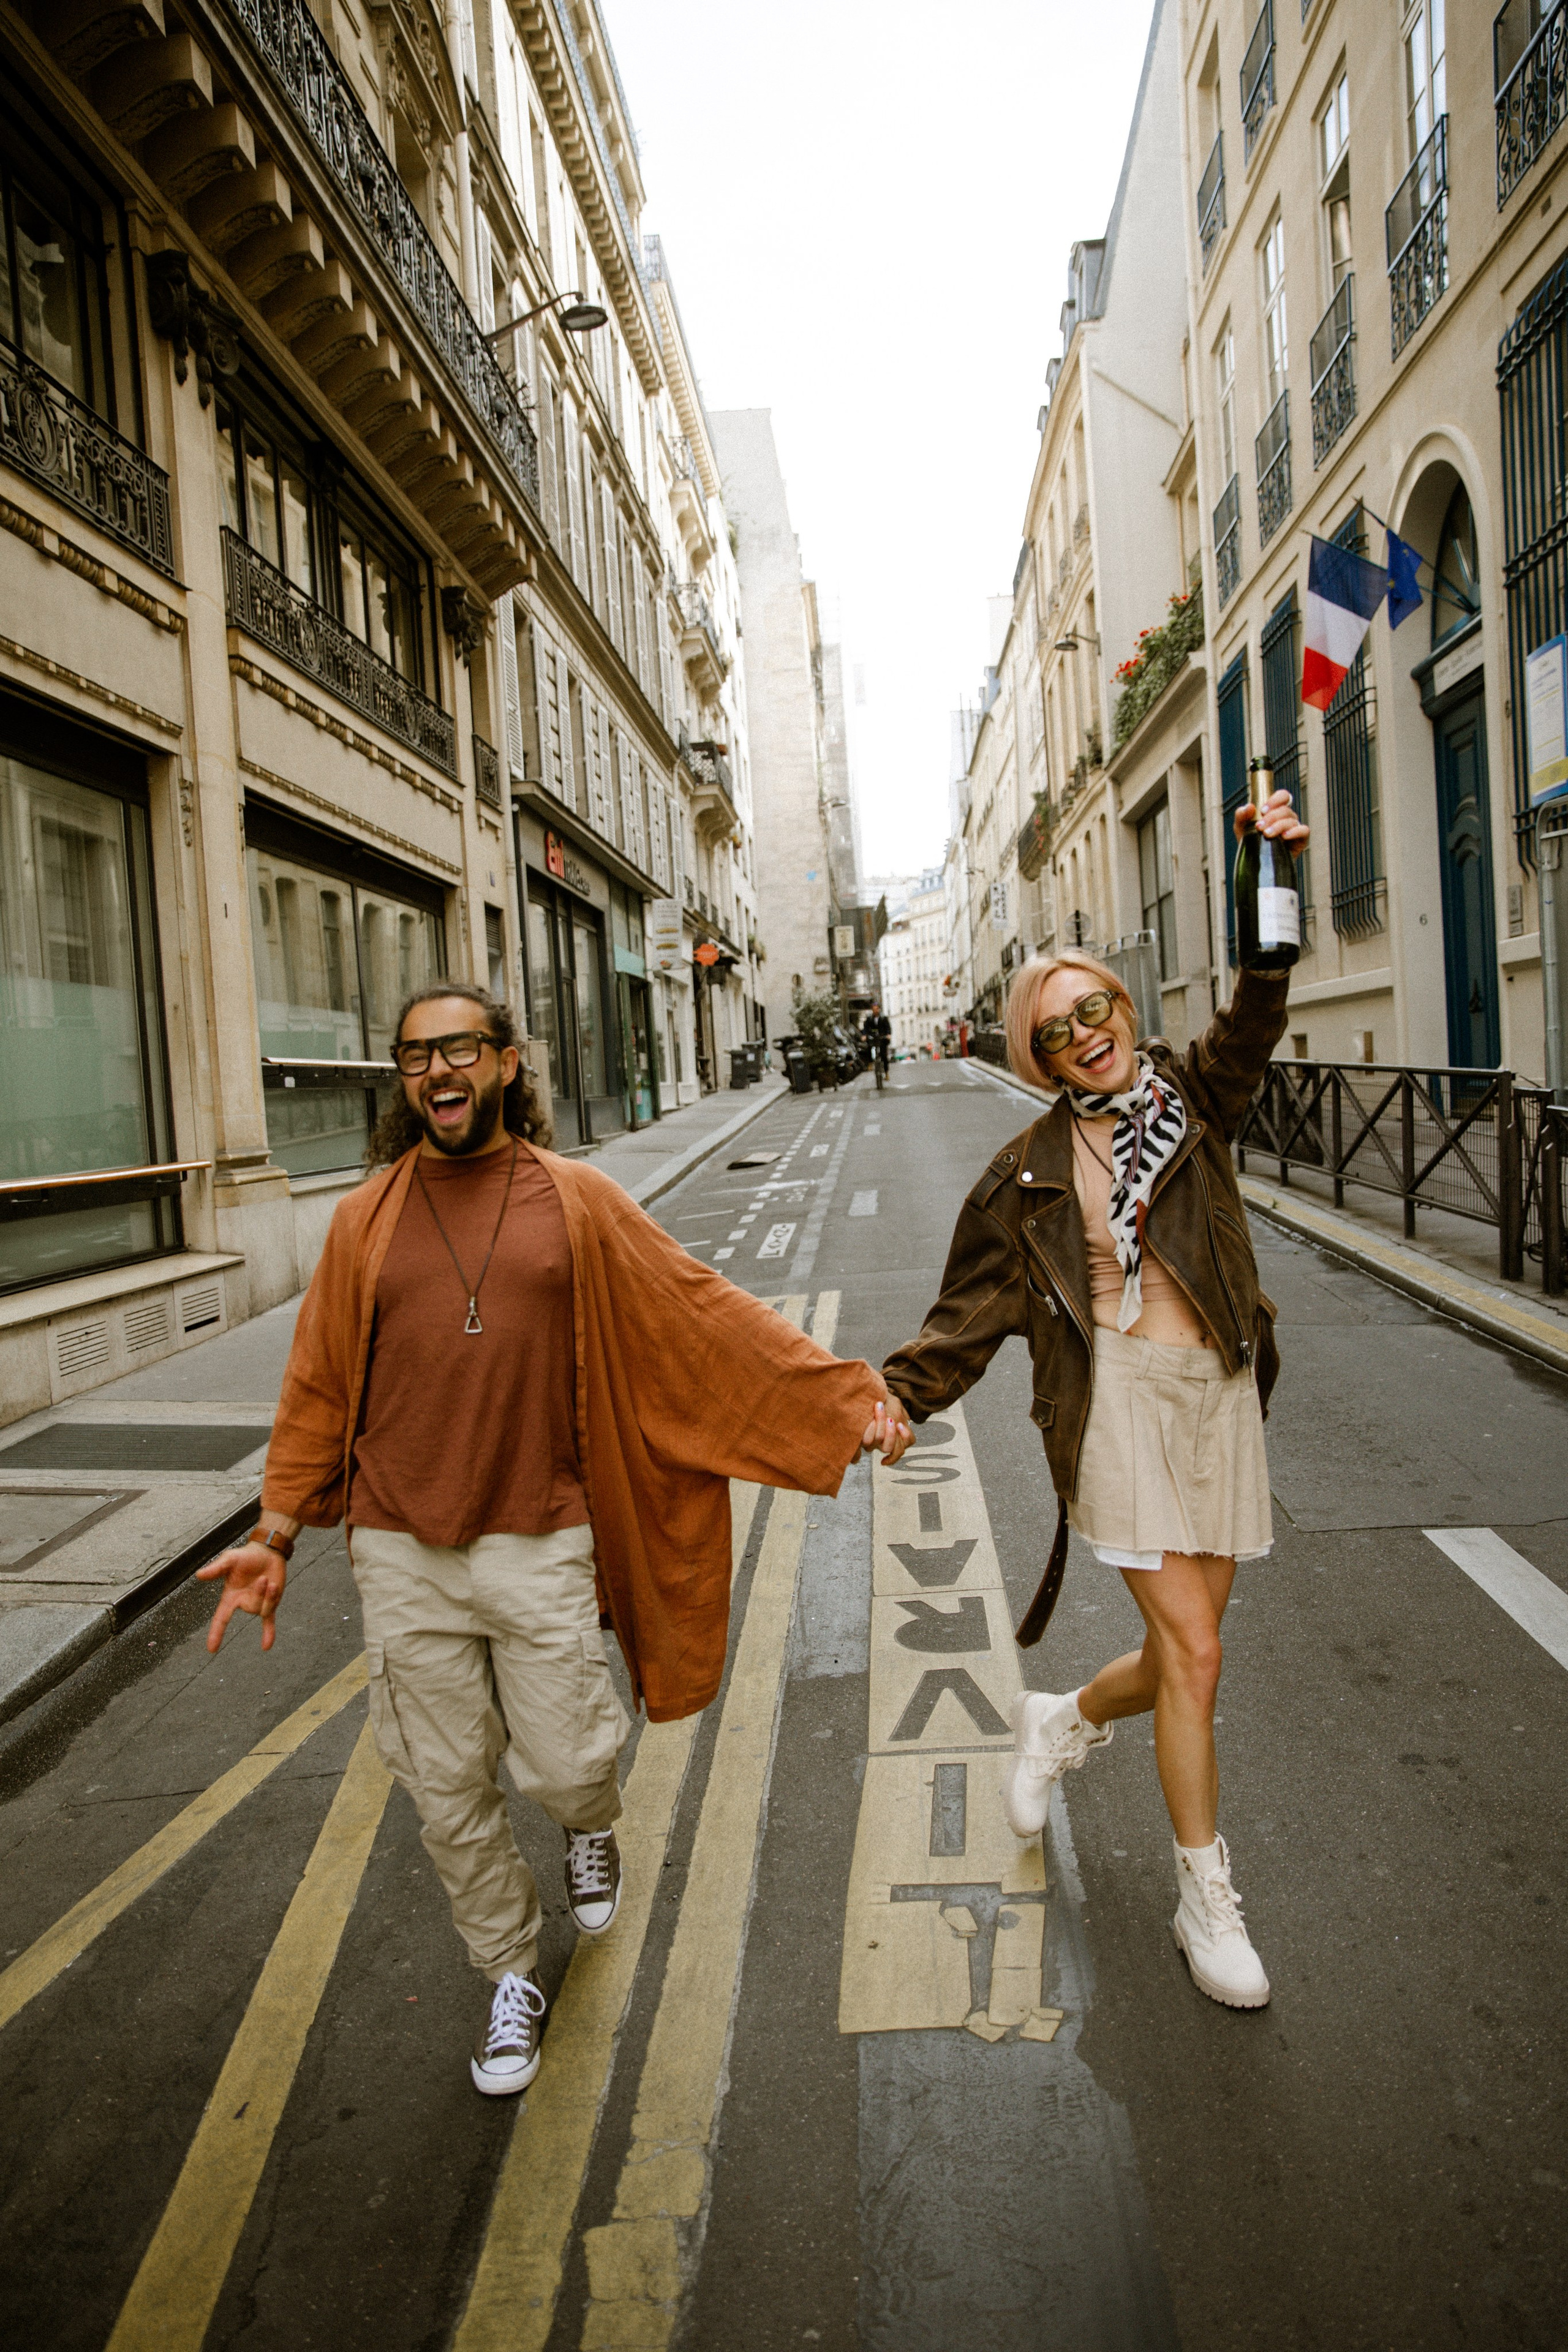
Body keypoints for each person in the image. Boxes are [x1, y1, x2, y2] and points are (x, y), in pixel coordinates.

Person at [202, 981, 911, 2096]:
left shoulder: (573, 1199)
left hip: (541, 1533)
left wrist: (841, 1402)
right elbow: (318, 1384)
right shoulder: (366, 1219)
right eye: (415, 1056)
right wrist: (277, 1532)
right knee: (443, 1787)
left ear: (506, 1063)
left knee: (576, 1760)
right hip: (400, 1545)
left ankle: (590, 1829)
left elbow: (698, 1310)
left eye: (460, 1050)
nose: (438, 1072)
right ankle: (506, 1974)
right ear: (404, 1081)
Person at [882, 790, 1308, 2012]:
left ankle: (1061, 1719)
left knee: (1189, 1660)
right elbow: (957, 1325)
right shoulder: (1018, 1181)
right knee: (1196, 1645)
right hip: (1111, 1405)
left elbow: (1259, 998)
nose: (1086, 1036)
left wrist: (1263, 869)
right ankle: (1201, 1895)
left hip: (1214, 1394)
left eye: (1098, 1010)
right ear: (1040, 1058)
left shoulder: (1193, 1096)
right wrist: (879, 1405)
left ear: (1123, 1013)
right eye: (1059, 1030)